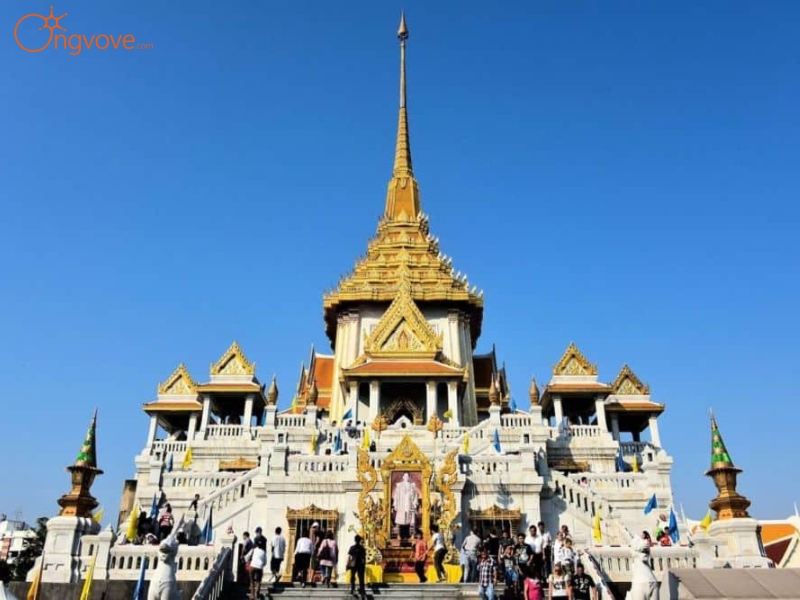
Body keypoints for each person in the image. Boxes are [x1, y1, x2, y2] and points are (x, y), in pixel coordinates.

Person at [393, 473, 420, 546]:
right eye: (405, 476)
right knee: (402, 521)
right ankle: (401, 535)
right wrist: (395, 504)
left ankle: (408, 535)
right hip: (401, 505)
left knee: (408, 521)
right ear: (403, 477)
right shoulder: (399, 485)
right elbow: (396, 495)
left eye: (407, 476)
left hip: (408, 505)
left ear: (409, 477)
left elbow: (415, 496)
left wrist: (414, 503)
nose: (406, 477)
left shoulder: (412, 486)